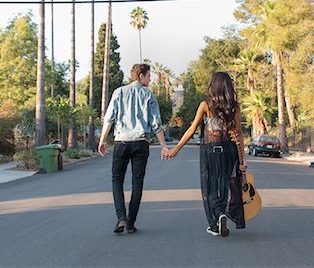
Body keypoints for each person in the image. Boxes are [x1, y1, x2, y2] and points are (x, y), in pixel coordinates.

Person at [166, 72, 247, 237]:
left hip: (213, 150)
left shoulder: (206, 105)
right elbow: (239, 134)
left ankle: (218, 216)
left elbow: (192, 129)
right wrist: (242, 159)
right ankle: (220, 219)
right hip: (230, 151)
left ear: (213, 86)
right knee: (224, 186)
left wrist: (176, 149)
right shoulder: (234, 107)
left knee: (210, 187)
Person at [98, 63, 169, 234]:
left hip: (121, 142)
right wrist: (164, 146)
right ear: (141, 76)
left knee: (117, 180)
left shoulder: (119, 92)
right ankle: (130, 222)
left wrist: (102, 141)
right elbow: (156, 124)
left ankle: (121, 217)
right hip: (141, 143)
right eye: (148, 76)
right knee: (137, 182)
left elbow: (109, 119)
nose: (150, 79)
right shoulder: (148, 95)